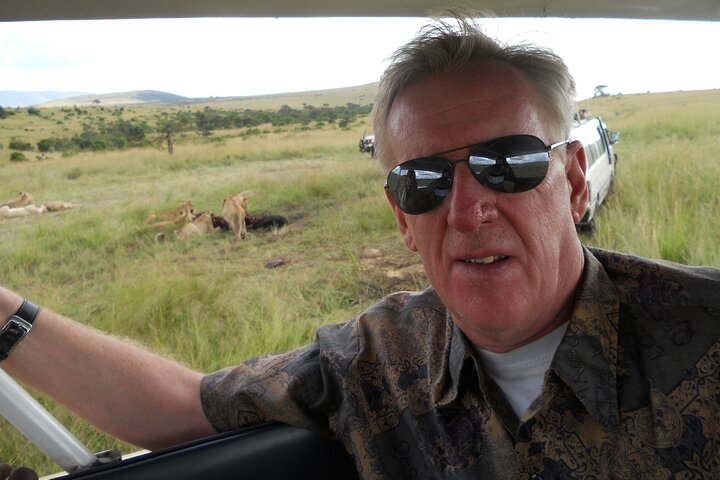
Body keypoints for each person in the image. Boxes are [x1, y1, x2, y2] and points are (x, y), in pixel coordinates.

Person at [2, 13, 720, 479]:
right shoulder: (377, 358)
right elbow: (183, 406)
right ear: (402, 218)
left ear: (573, 181)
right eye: (423, 182)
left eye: (509, 163)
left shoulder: (704, 334)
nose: (467, 210)